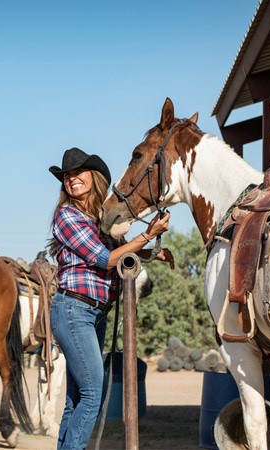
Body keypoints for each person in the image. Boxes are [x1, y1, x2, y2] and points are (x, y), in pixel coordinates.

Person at [47, 147, 174, 449]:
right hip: (75, 309)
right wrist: (148, 234)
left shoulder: (100, 218)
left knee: (77, 397)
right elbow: (104, 259)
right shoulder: (67, 216)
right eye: (67, 175)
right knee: (93, 393)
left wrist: (151, 251)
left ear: (94, 176)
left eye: (77, 172)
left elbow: (121, 254)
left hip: (95, 312)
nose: (71, 178)